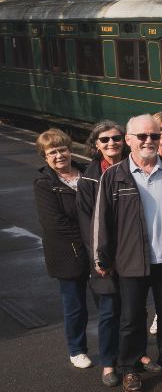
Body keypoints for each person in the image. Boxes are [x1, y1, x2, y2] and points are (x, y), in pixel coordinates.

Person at [94, 114, 162, 392]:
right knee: (131, 318)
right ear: (128, 140)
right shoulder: (114, 175)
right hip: (130, 259)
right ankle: (129, 368)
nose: (149, 141)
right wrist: (102, 256)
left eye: (154, 135)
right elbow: (102, 220)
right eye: (142, 136)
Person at [33, 129, 95, 370]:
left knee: (108, 302)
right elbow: (54, 223)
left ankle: (116, 345)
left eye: (62, 149)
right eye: (52, 152)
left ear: (70, 149)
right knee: (75, 304)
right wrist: (91, 239)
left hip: (98, 250)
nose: (59, 155)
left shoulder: (89, 173)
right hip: (68, 253)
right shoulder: (44, 184)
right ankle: (77, 349)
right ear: (45, 157)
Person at [76, 120, 129, 386]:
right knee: (108, 311)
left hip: (131, 253)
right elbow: (87, 224)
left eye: (116, 138)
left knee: (133, 310)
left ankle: (133, 356)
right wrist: (100, 258)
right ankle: (109, 363)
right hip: (104, 257)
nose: (112, 144)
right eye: (105, 140)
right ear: (96, 145)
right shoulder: (88, 177)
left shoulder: (133, 169)